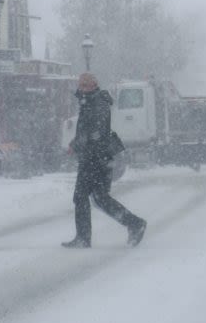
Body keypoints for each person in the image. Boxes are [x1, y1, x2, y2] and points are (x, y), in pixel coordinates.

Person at [62, 72, 147, 248]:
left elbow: (96, 132)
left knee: (84, 197)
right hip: (93, 156)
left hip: (96, 158)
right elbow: (88, 132)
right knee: (99, 198)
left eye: (86, 85)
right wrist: (77, 144)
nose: (82, 88)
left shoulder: (98, 103)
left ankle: (85, 238)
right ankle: (133, 224)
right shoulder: (89, 102)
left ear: (94, 85)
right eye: (81, 85)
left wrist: (77, 145)